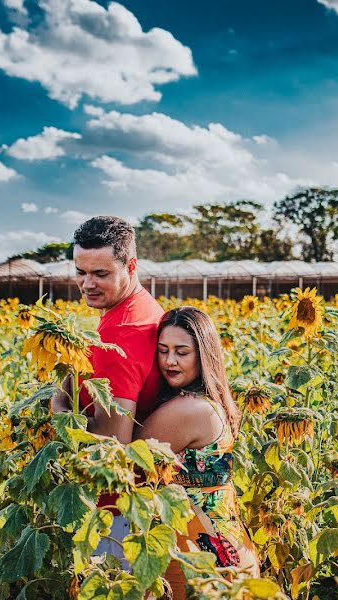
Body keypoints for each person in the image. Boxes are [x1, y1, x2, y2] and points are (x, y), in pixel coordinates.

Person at [50, 215, 165, 567]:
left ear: (131, 266)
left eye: (100, 274)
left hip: (113, 510)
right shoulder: (138, 307)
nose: (87, 284)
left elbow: (110, 443)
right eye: (80, 272)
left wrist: (57, 402)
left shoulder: (123, 333)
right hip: (134, 501)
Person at [135, 306, 259, 599]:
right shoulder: (212, 402)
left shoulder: (188, 410)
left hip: (198, 561)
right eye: (163, 350)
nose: (170, 361)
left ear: (204, 355)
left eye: (182, 351)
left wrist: (62, 407)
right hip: (224, 550)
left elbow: (121, 457)